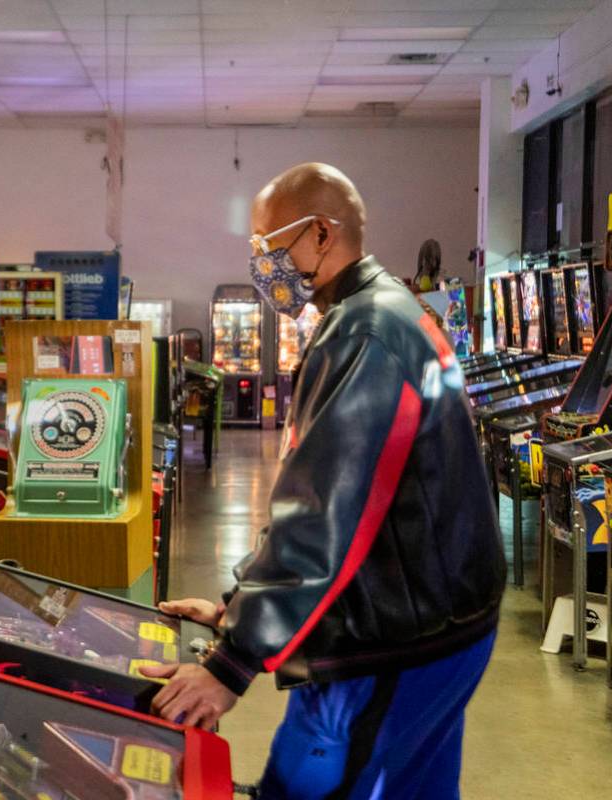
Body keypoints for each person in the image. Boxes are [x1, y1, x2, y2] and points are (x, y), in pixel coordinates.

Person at [141, 163, 505, 799]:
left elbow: (323, 511)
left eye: (267, 246)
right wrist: (239, 610)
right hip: (441, 618)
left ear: (318, 234)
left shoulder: (364, 332)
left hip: (396, 637)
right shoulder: (388, 309)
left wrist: (230, 664)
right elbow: (330, 489)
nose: (261, 262)